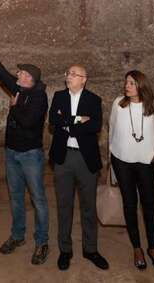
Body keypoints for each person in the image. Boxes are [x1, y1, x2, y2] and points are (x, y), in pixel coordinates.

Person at [0, 37, 50, 264]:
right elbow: (1, 73)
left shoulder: (39, 97)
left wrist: (14, 108)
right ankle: (18, 236)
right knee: (16, 197)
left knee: (38, 198)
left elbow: (28, 122)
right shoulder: (17, 88)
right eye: (19, 73)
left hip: (30, 156)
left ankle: (42, 241)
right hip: (12, 153)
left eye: (23, 74)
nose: (18, 76)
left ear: (32, 80)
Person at [109, 70, 154, 271]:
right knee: (129, 205)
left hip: (147, 163)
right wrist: (113, 152)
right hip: (122, 162)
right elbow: (111, 129)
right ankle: (137, 248)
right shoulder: (118, 104)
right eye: (126, 82)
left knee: (149, 205)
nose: (127, 86)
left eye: (132, 83)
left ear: (141, 86)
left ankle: (153, 248)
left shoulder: (153, 106)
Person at [48, 64, 109, 271]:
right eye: (68, 73)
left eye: (74, 74)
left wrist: (67, 124)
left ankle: (90, 249)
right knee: (64, 205)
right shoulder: (59, 96)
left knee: (88, 206)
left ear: (84, 79)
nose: (69, 77)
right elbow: (53, 120)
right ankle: (65, 250)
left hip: (85, 159)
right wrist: (77, 120)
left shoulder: (93, 100)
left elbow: (95, 126)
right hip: (62, 158)